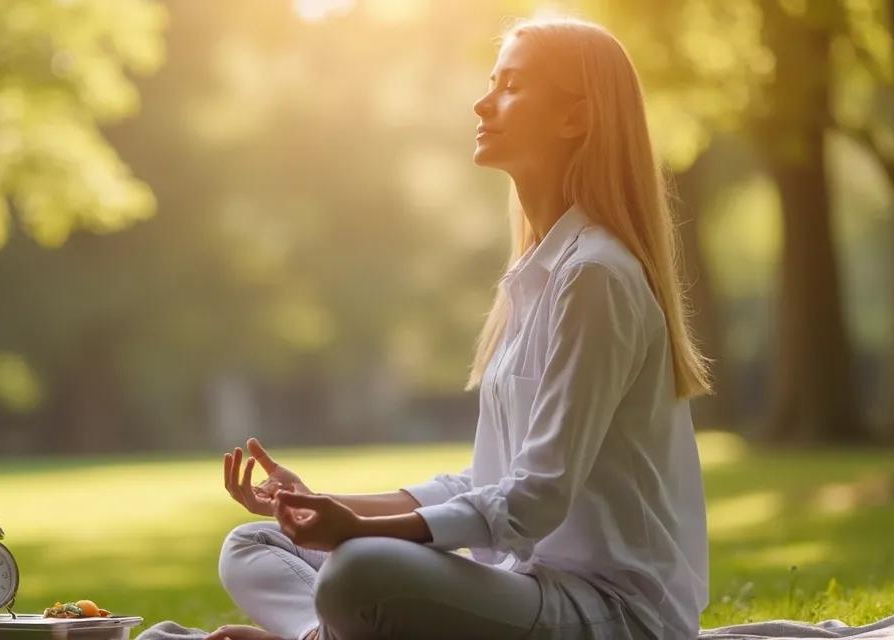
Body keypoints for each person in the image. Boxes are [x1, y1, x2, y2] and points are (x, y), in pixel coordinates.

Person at [207, 15, 713, 640]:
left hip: (611, 613)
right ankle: (320, 636)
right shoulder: (537, 274)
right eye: (491, 81)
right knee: (255, 542)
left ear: (574, 118)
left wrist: (359, 531)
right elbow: (489, 480)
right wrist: (326, 506)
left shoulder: (596, 277)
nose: (482, 101)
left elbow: (534, 500)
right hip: (523, 589)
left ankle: (318, 634)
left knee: (358, 570)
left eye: (512, 86)